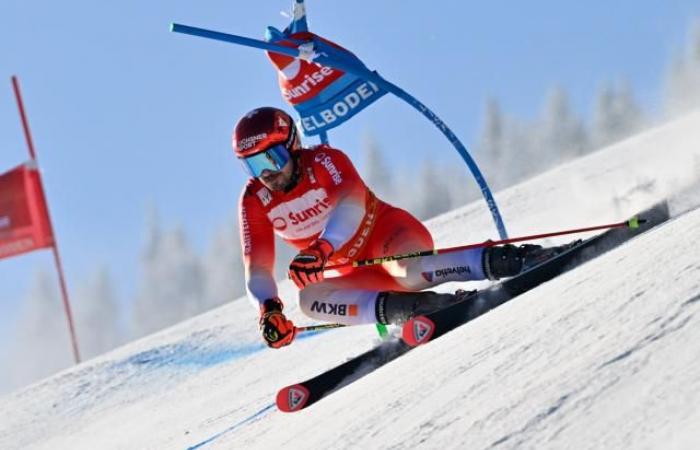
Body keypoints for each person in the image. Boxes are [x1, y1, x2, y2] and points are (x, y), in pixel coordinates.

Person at [236, 107, 567, 349]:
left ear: (292, 145)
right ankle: (417, 308)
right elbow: (257, 269)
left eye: (273, 158)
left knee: (407, 271)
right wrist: (269, 310)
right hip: (359, 272)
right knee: (310, 299)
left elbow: (351, 208)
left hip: (387, 237)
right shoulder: (255, 198)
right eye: (254, 164)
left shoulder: (324, 161)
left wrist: (322, 248)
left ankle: (514, 259)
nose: (267, 173)